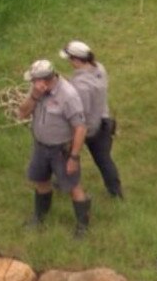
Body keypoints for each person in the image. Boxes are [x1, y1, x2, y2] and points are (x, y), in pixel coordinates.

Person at [18, 59, 91, 238]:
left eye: (34, 81)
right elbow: (22, 113)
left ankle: (82, 225)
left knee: (73, 187)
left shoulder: (68, 96)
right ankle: (40, 216)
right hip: (40, 146)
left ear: (45, 80)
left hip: (62, 150)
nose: (32, 84)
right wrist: (34, 96)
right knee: (41, 181)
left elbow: (80, 128)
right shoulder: (37, 90)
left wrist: (73, 157)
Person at [60, 40, 123, 198]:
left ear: (76, 60)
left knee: (68, 155)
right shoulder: (98, 68)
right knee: (104, 160)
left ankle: (65, 184)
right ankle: (116, 192)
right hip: (104, 121)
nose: (69, 62)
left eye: (70, 59)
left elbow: (80, 111)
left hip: (89, 127)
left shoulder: (81, 85)